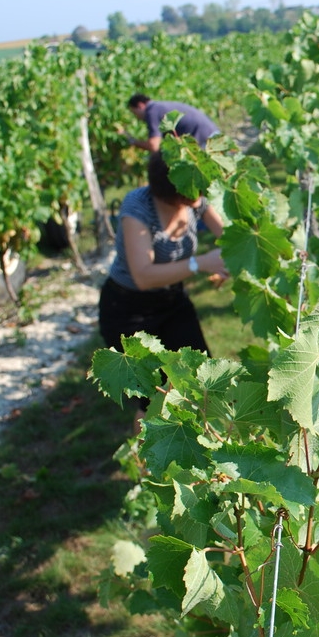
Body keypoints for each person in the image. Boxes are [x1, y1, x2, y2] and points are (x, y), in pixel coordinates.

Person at [98, 150, 229, 428]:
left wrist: (229, 264)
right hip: (128, 311)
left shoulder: (194, 197)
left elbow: (230, 239)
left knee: (201, 382)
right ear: (173, 188)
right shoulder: (137, 208)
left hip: (172, 302)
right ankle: (149, 465)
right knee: (154, 402)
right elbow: (143, 276)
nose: (198, 198)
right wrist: (201, 263)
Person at [123, 93, 220, 152]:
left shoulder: (151, 112)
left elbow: (154, 146)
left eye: (135, 113)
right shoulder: (159, 107)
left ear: (140, 106)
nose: (137, 117)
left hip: (205, 140)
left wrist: (132, 140)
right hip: (212, 133)